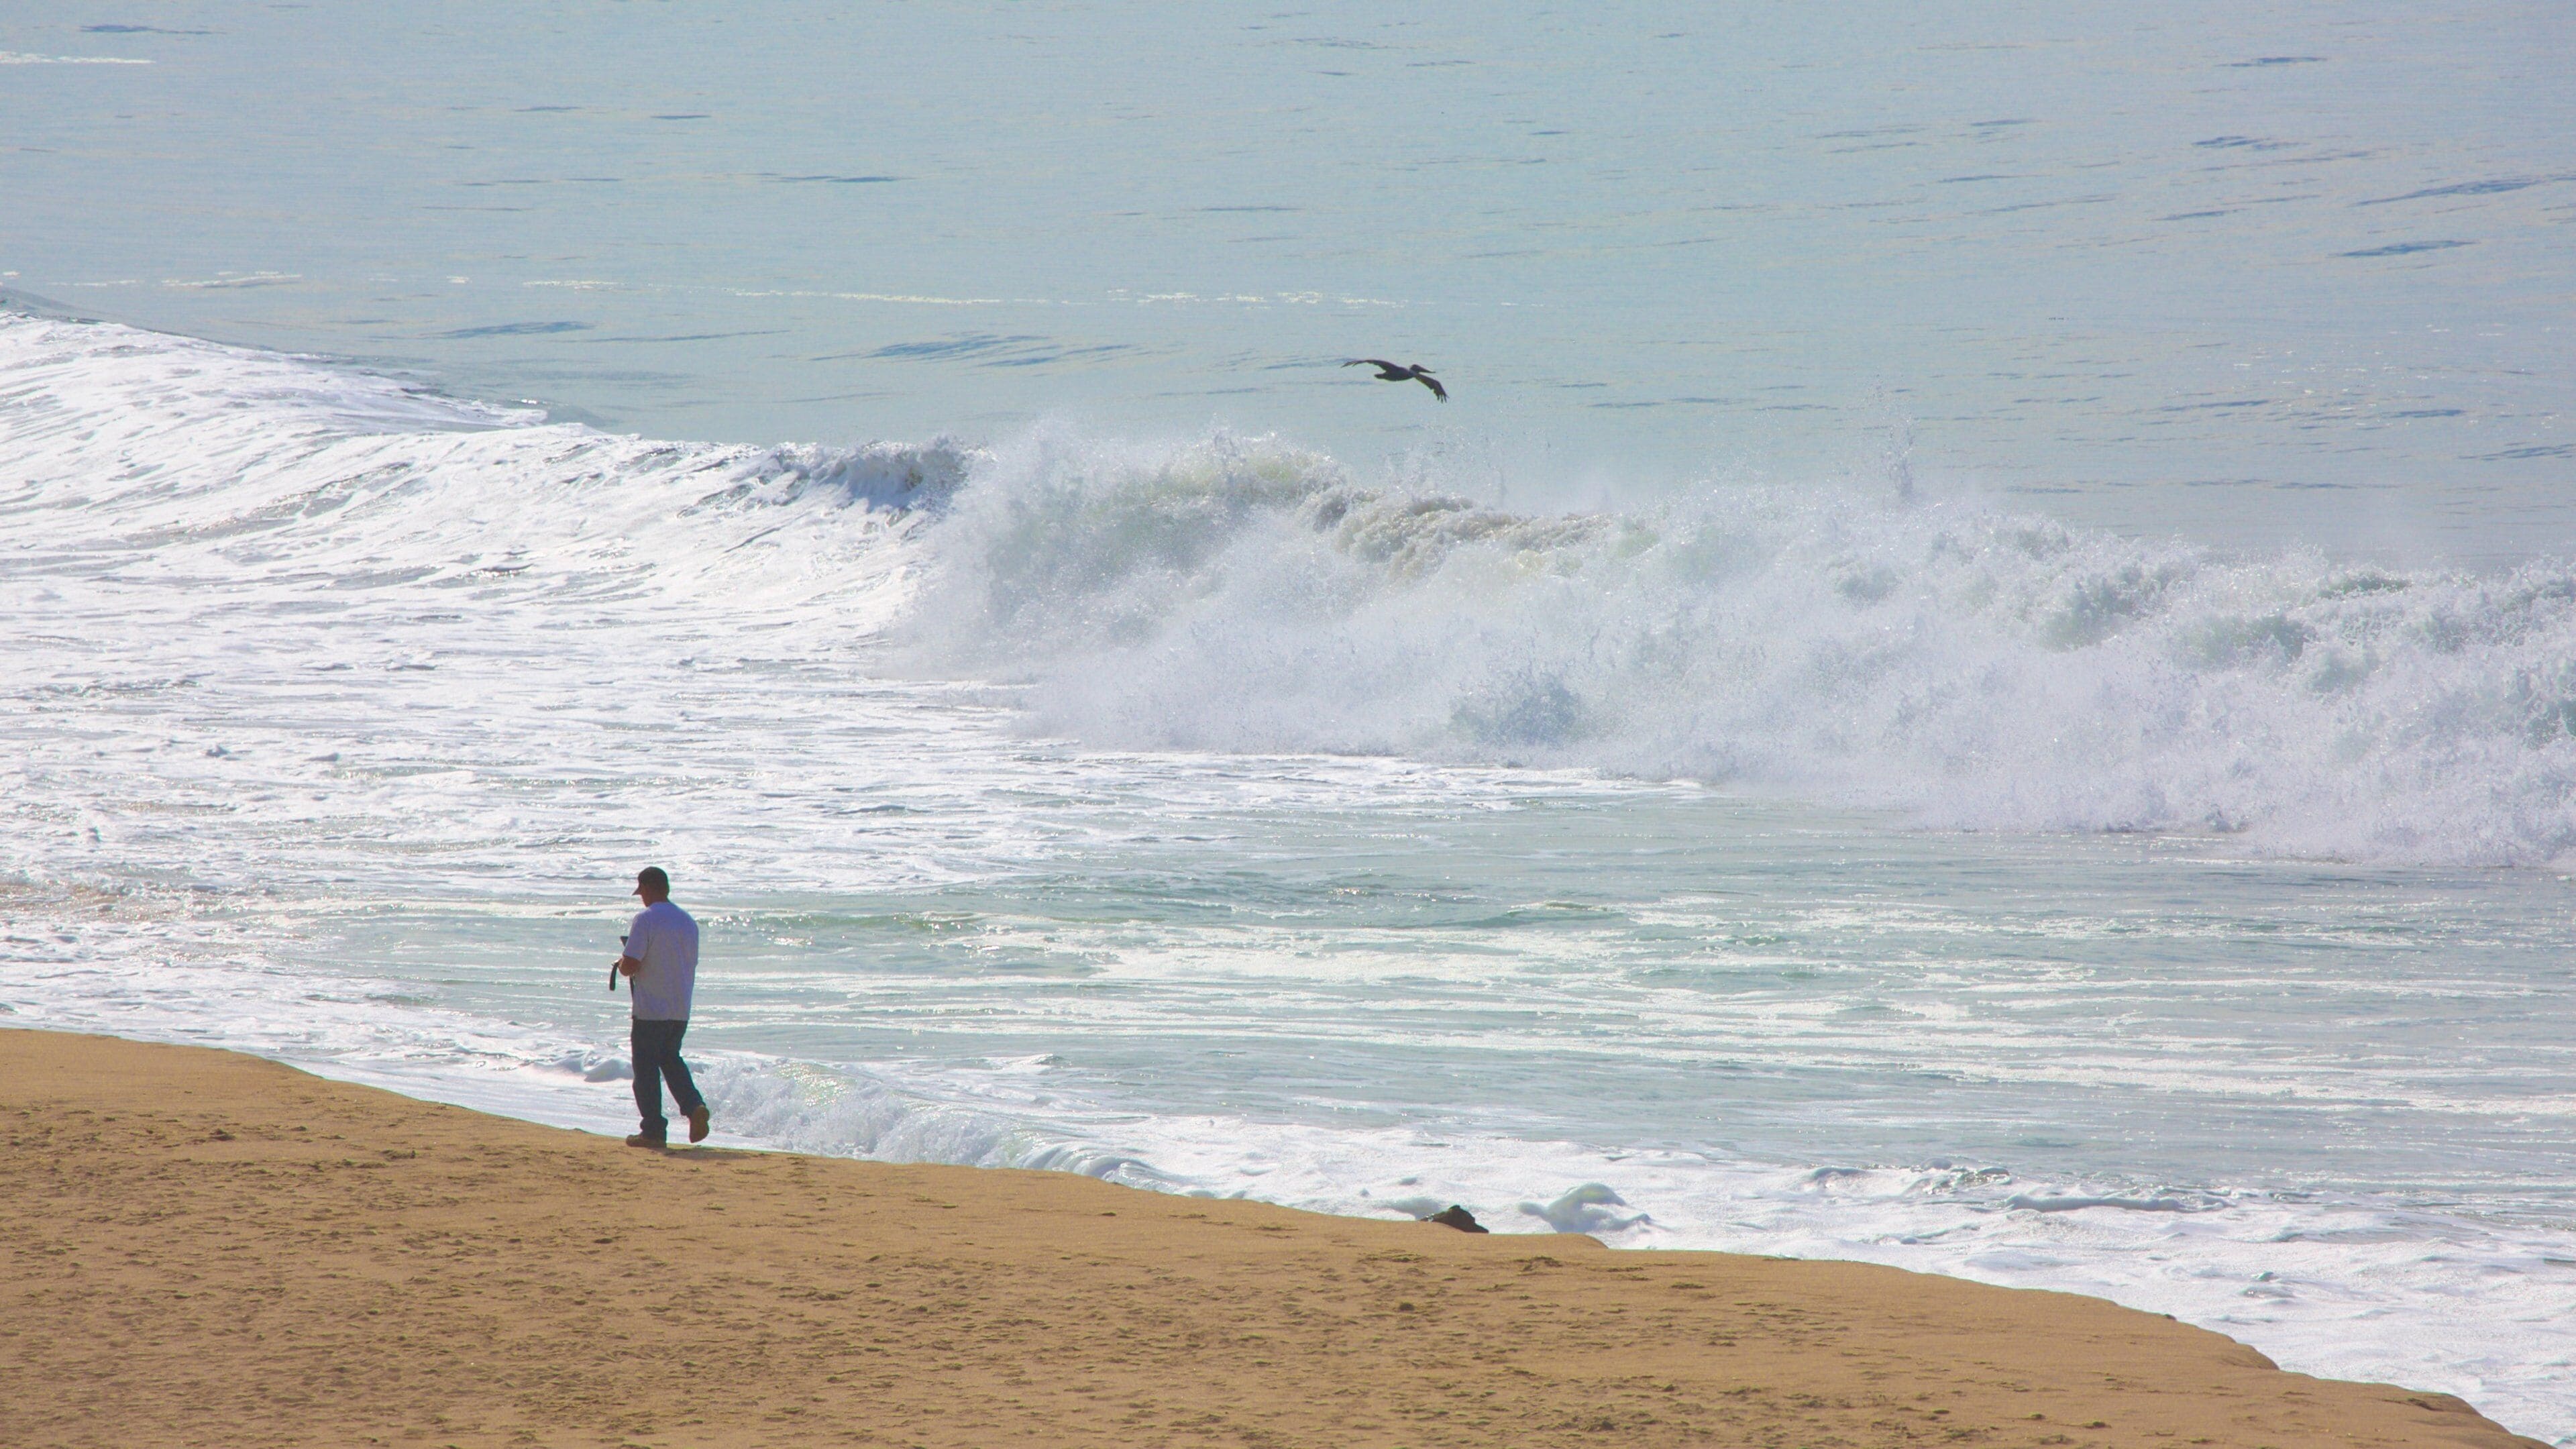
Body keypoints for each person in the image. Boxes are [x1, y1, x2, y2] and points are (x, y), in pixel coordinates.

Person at [614, 866, 708, 1147]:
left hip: (651, 1009)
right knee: (671, 1060)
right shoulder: (687, 921)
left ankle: (653, 1130)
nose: (641, 897)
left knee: (645, 1071)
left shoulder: (646, 919)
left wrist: (621, 963)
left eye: (641, 891)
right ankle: (694, 1107)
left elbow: (631, 964)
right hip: (680, 1008)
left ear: (647, 888)